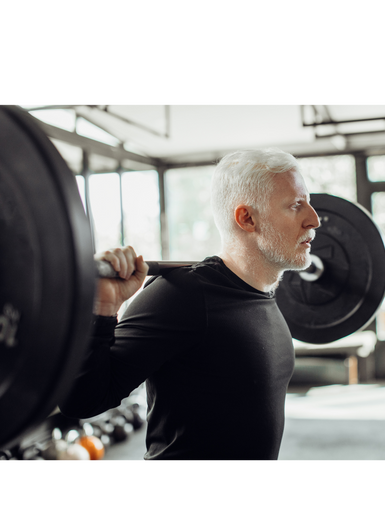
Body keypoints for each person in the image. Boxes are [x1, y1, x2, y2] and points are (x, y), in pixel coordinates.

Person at [60, 149, 321, 463]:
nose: (314, 219)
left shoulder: (262, 293)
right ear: (247, 218)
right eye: (296, 205)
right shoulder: (182, 296)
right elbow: (81, 400)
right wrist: (102, 306)